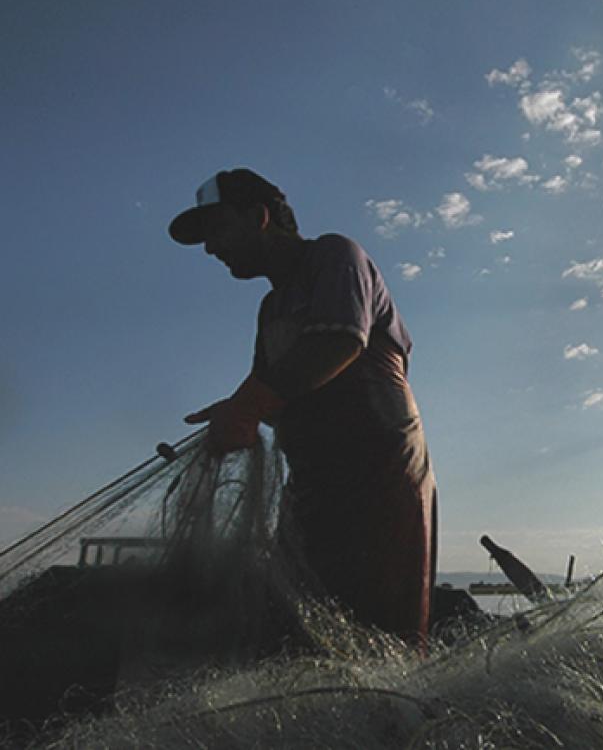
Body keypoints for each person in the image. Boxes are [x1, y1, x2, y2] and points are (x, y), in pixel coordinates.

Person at [169, 168, 436, 652]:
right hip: (314, 485)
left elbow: (340, 341)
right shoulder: (271, 309)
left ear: (259, 216)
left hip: (380, 477)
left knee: (382, 632)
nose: (210, 248)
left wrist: (247, 407)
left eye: (217, 230)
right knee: (302, 627)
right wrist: (232, 415)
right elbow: (269, 393)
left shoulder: (335, 256)